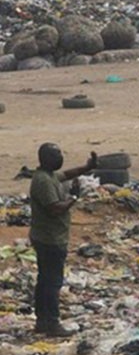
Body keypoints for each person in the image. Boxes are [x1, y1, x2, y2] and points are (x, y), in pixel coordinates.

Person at [29, 143, 96, 336]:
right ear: (46, 158)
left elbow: (66, 174)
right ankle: (51, 323)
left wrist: (87, 168)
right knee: (52, 283)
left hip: (46, 236)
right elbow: (55, 208)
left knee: (45, 281)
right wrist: (74, 197)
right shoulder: (43, 181)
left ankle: (42, 321)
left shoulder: (47, 175)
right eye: (56, 154)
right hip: (50, 239)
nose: (60, 157)